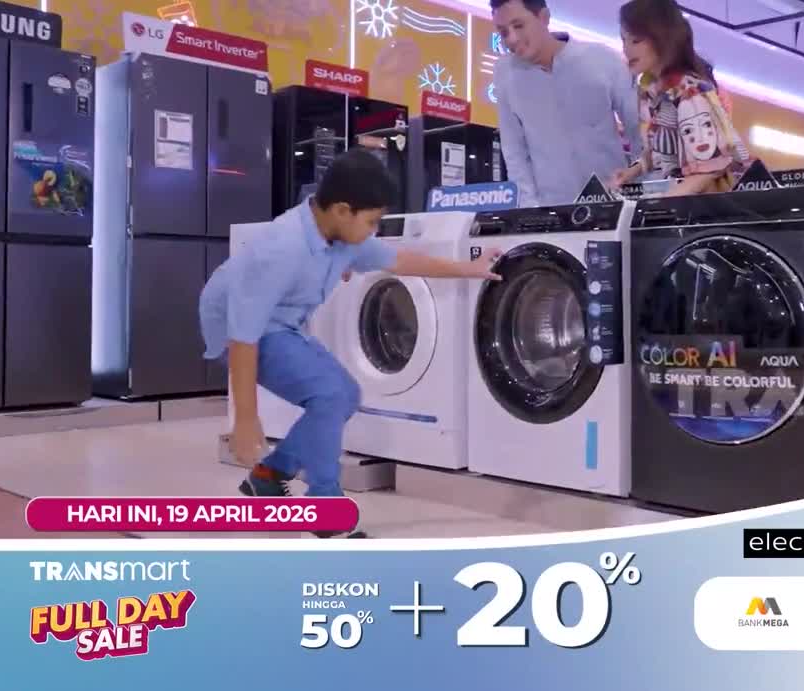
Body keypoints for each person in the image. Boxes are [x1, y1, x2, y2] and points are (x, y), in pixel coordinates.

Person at [198, 149, 501, 539]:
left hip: (281, 323)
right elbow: (243, 337)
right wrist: (244, 419)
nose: (374, 231)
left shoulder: (340, 236)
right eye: (372, 221)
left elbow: (399, 261)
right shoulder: (282, 248)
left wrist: (468, 269)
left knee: (343, 395)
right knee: (330, 395)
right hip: (234, 327)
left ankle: (270, 476)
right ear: (342, 210)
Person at [491, 0, 643, 206]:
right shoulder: (505, 75)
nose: (512, 38)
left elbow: (638, 131)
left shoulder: (603, 60)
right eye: (503, 32)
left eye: (519, 26)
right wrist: (530, 209)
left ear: (544, 17)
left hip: (614, 201)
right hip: (552, 209)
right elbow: (514, 151)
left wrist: (646, 192)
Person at [609, 0, 752, 197]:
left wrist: (666, 202)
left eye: (636, 40)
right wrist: (633, 171)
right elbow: (663, 152)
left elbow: (711, 167)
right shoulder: (652, 92)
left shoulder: (688, 90)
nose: (626, 49)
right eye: (623, 40)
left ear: (662, 39)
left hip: (705, 206)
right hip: (684, 201)